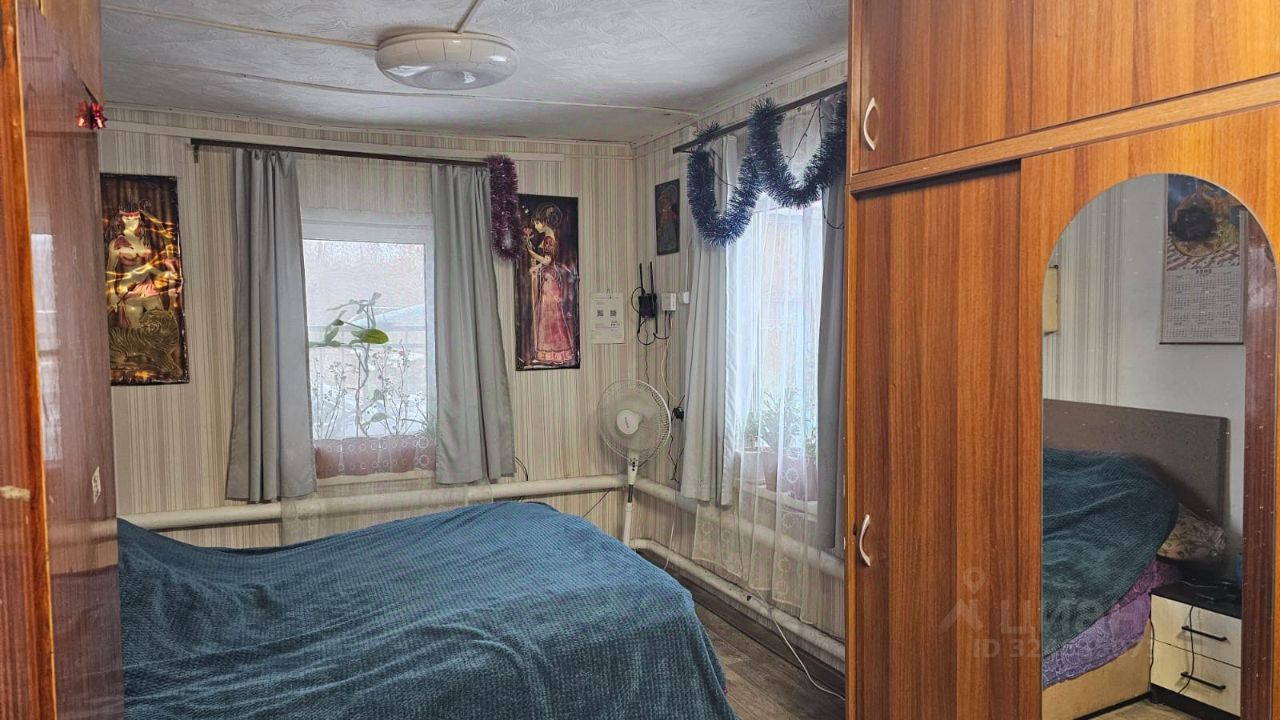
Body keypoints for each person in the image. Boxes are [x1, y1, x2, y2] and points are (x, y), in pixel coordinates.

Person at [523, 203, 576, 366]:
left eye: (537, 222)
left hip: (550, 280)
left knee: (549, 316)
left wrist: (531, 253)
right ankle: (549, 353)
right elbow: (548, 261)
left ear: (545, 221)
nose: (535, 225)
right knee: (549, 316)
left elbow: (547, 260)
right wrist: (536, 267)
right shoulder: (549, 237)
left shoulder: (548, 239)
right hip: (549, 277)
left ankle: (552, 353)